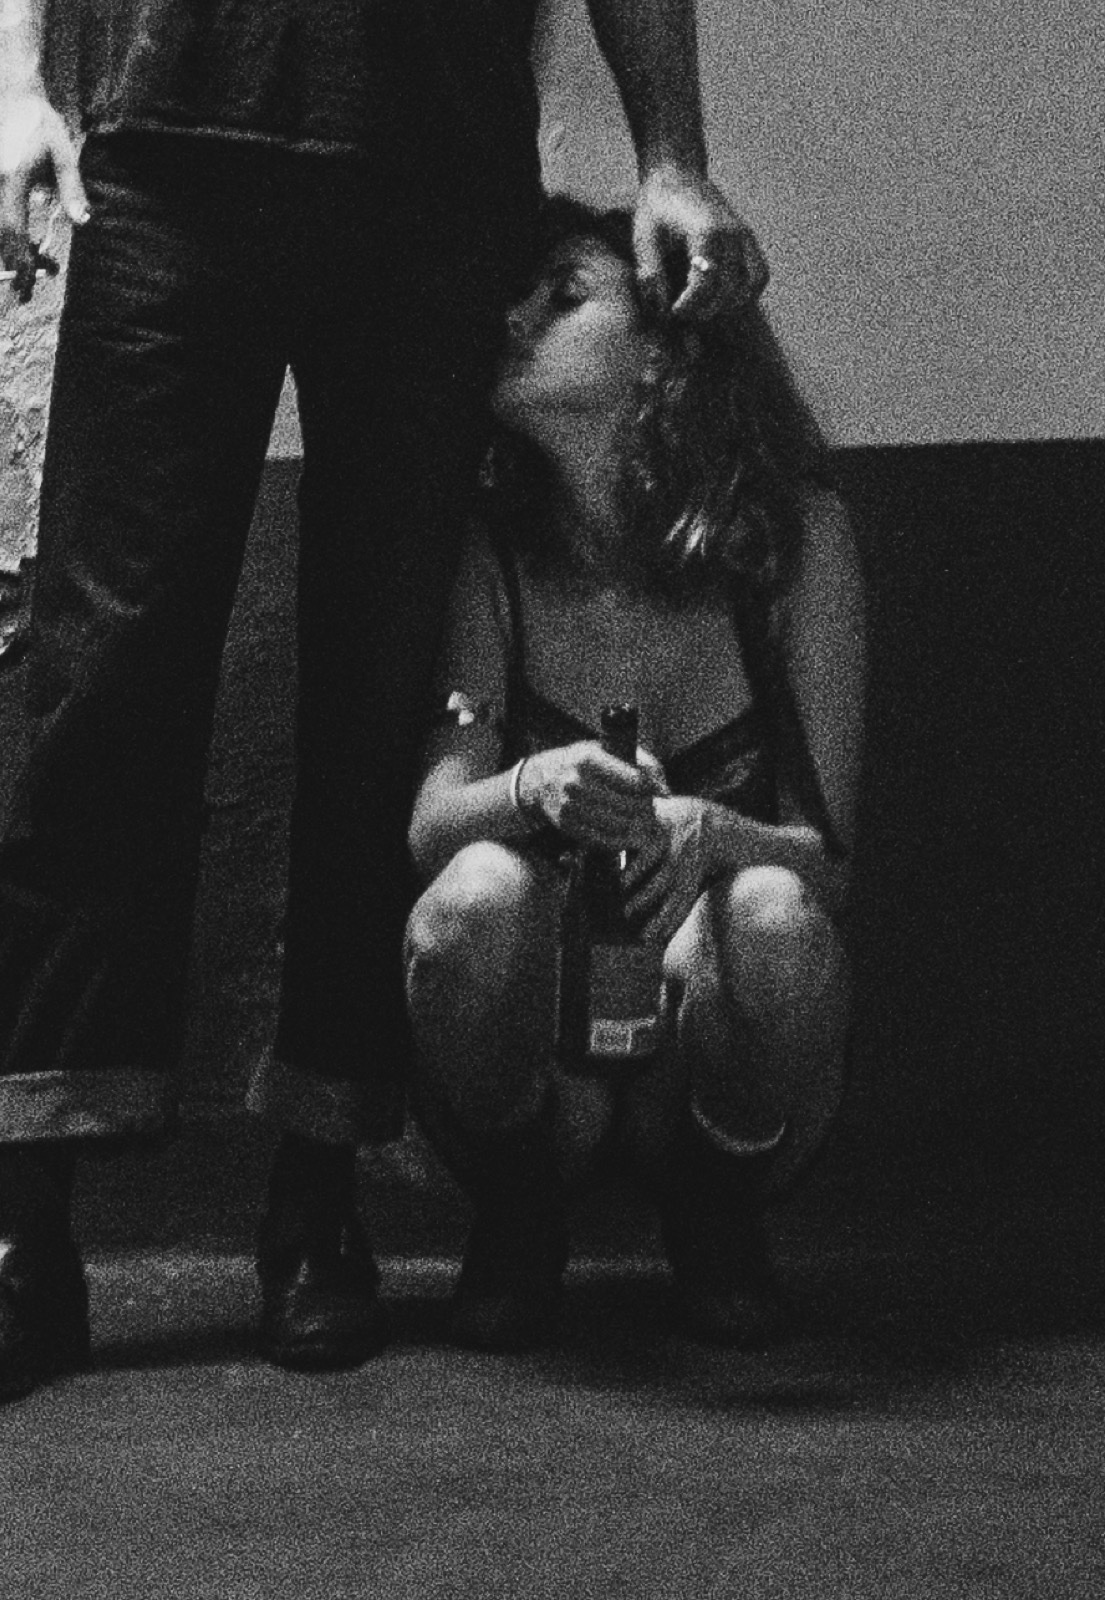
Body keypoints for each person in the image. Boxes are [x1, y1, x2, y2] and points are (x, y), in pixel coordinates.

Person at [0, 0, 774, 1414]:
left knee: (379, 690)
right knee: (108, 677)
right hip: (172, 147)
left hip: (432, 176)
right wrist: (9, 86)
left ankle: (316, 1198)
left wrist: (673, 153)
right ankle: (20, 1233)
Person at [402, 197, 863, 1351]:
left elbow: (829, 862)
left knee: (779, 916)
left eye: (562, 297)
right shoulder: (495, 548)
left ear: (663, 343)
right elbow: (430, 826)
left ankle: (715, 1210)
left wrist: (717, 833)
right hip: (543, 1062)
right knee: (471, 898)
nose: (514, 321)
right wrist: (531, 787)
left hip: (703, 1062)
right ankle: (518, 1208)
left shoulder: (793, 541)